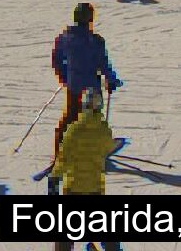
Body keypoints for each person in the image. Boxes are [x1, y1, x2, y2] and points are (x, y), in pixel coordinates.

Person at [50, 88, 122, 249]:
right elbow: (108, 147)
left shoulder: (73, 130)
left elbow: (63, 159)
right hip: (94, 188)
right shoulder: (103, 131)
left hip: (73, 188)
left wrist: (54, 179)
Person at [50, 2, 121, 159]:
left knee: (70, 116)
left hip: (74, 84)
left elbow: (57, 60)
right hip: (91, 86)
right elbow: (103, 64)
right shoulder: (95, 41)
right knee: (93, 118)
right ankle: (94, 148)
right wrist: (111, 79)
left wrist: (64, 77)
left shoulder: (65, 37)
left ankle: (59, 150)